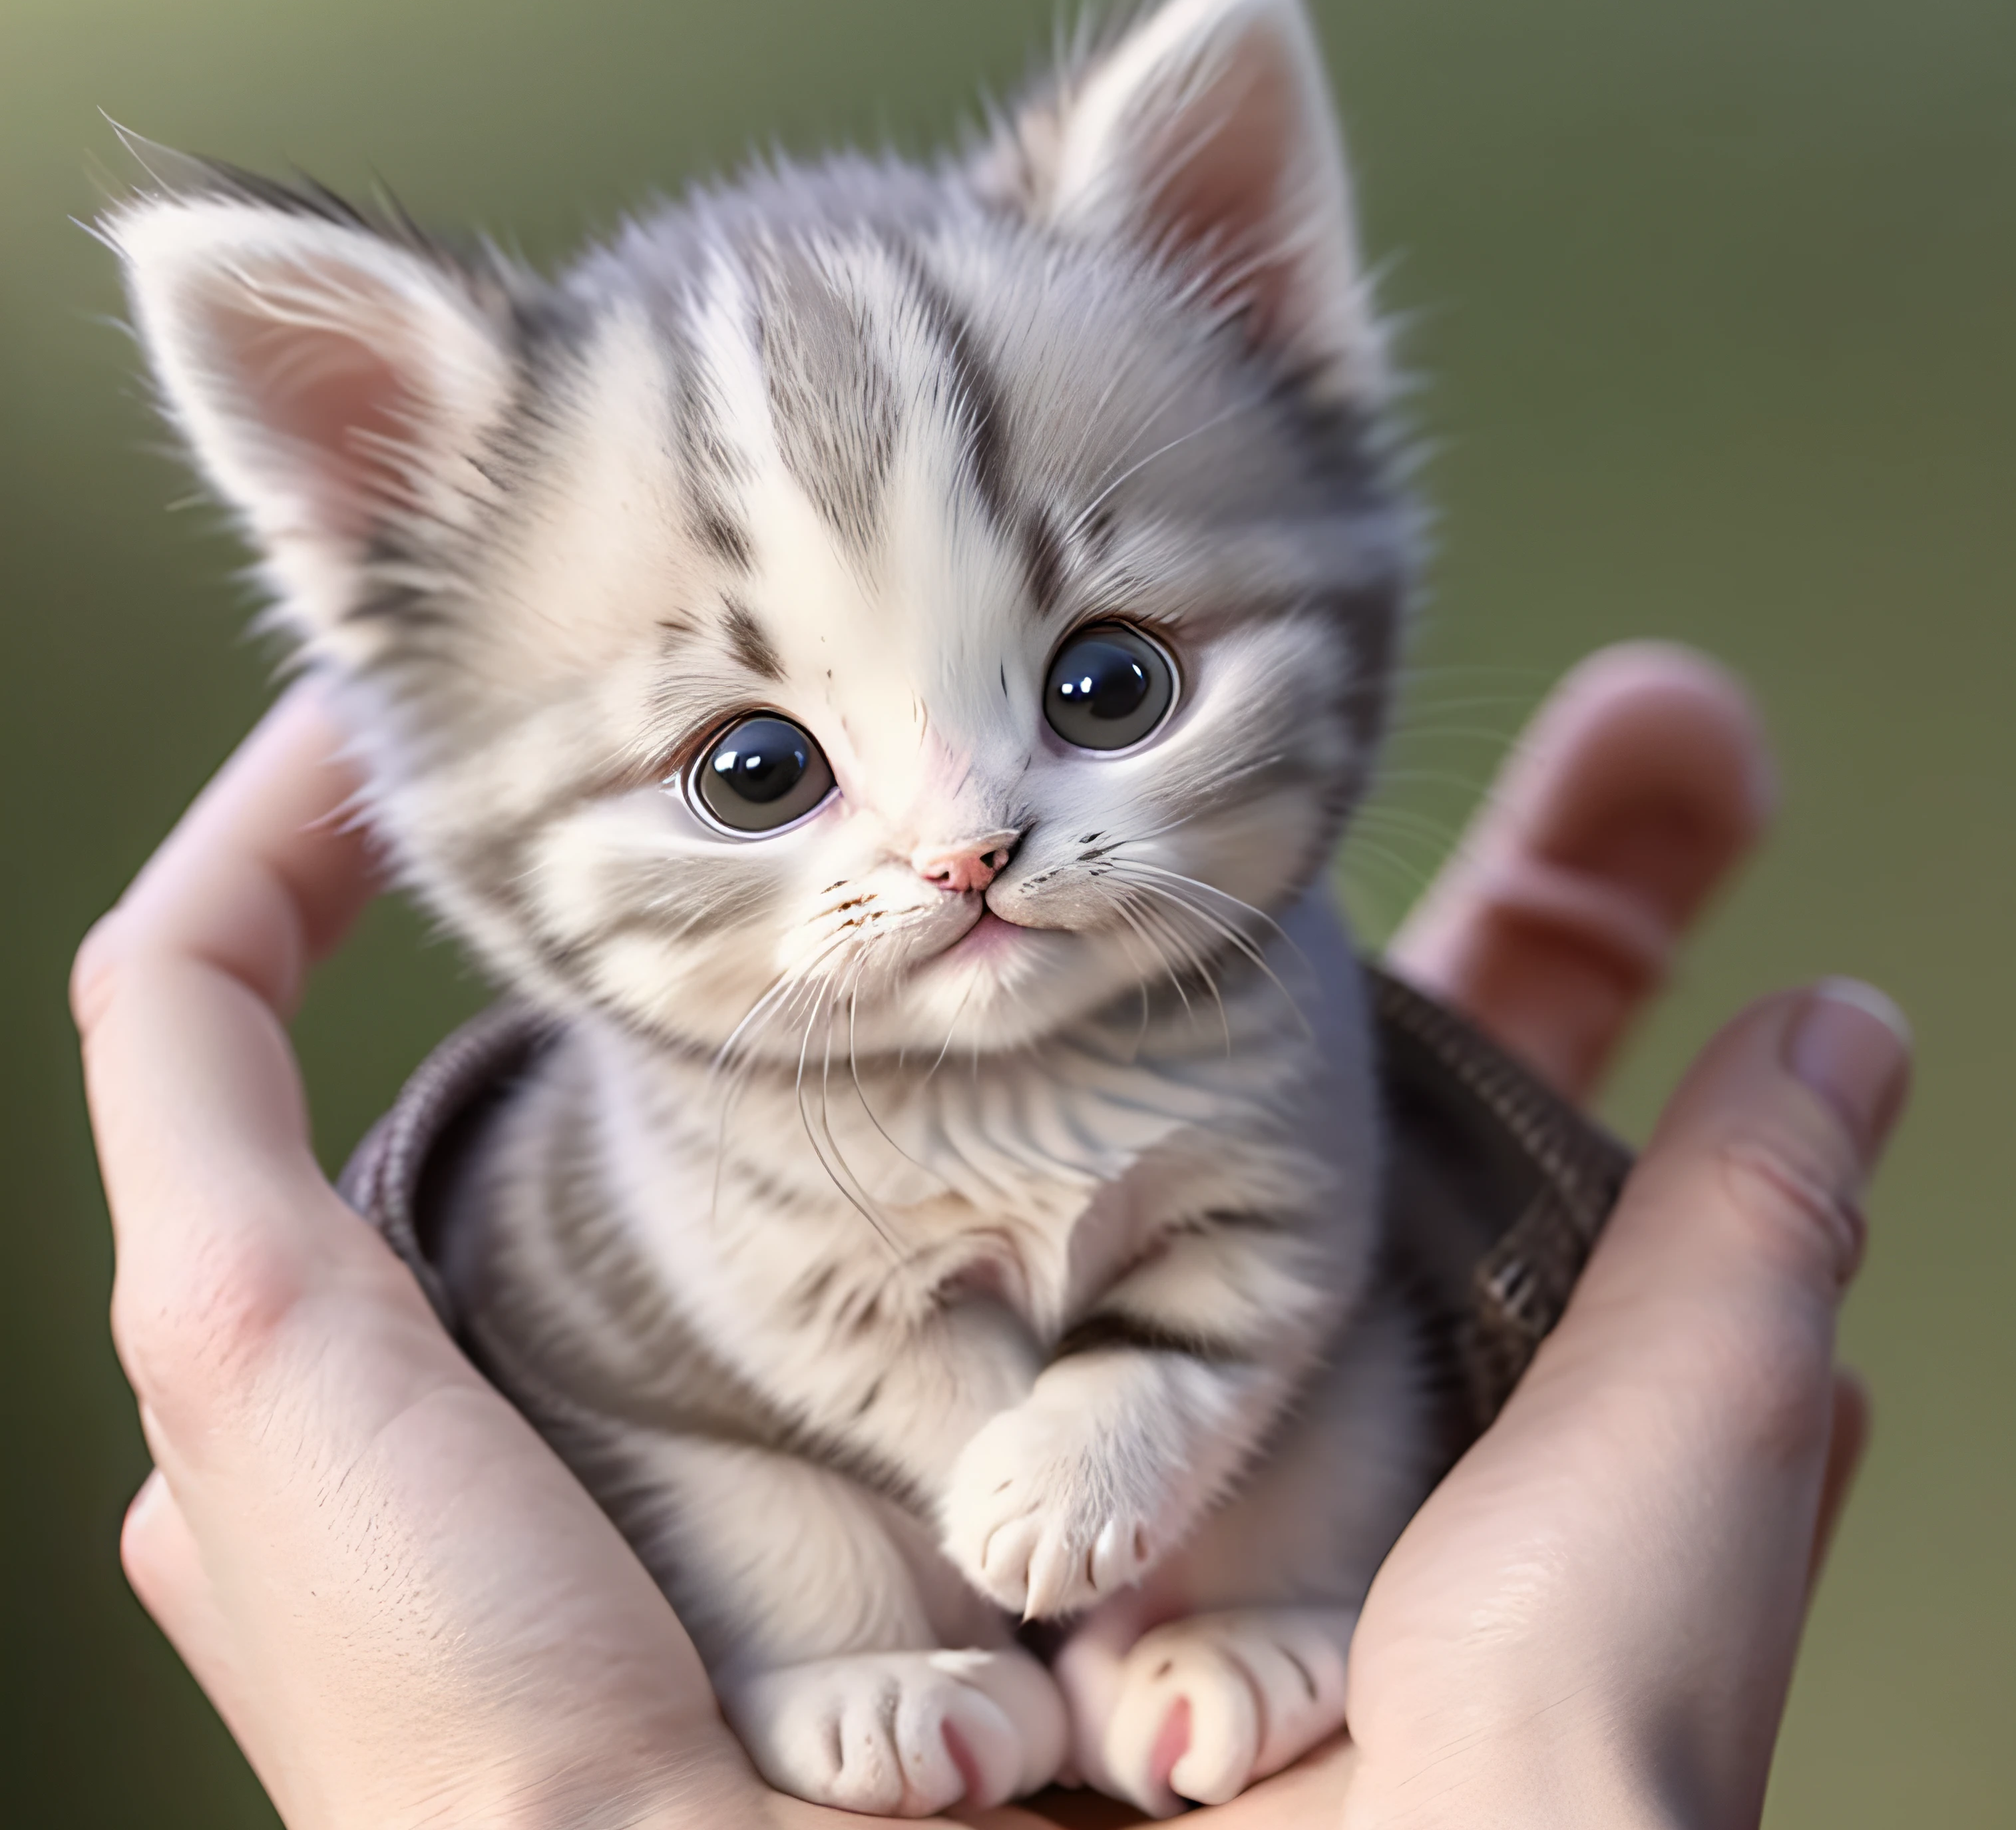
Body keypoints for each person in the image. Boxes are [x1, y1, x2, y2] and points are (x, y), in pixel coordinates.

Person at [72, 643, 1909, 1830]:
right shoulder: (676, 1079)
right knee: (759, 1445)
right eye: (758, 768)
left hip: (1234, 1483)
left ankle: (1241, 1606)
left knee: (1319, 1334)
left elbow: (1269, 1270)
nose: (963, 848)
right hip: (760, 1500)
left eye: (1101, 682)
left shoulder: (1245, 974)